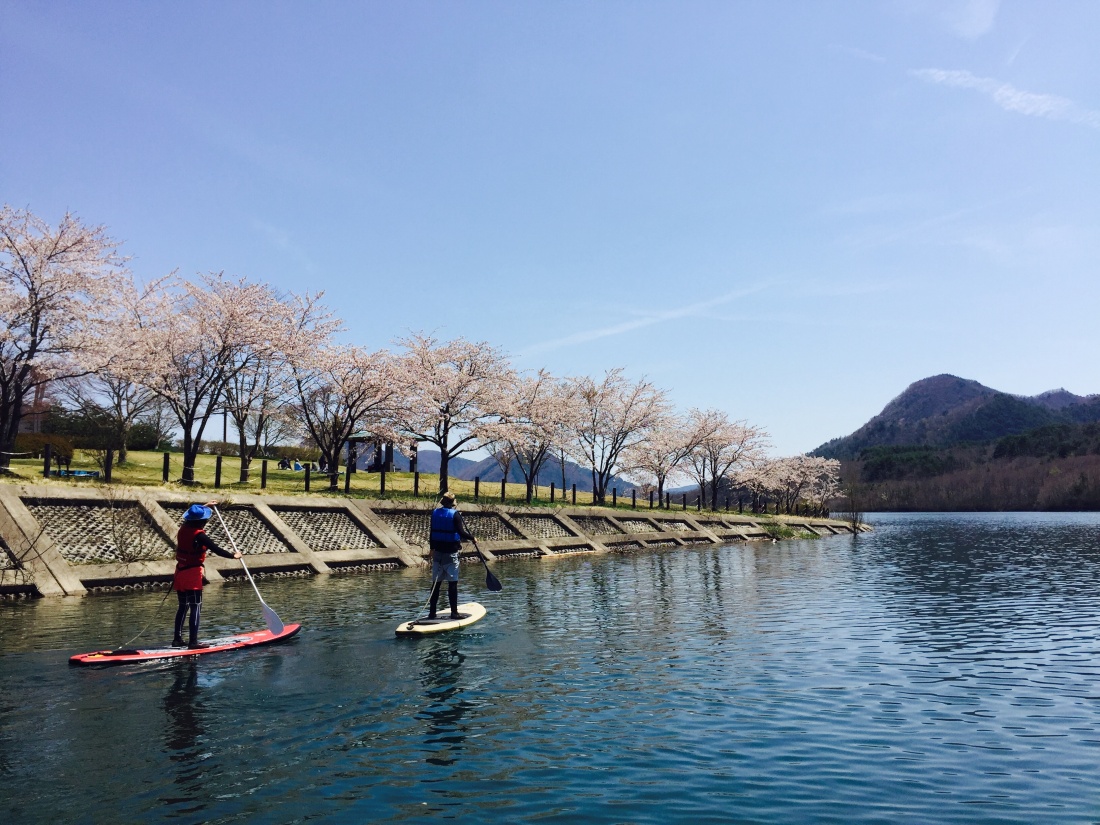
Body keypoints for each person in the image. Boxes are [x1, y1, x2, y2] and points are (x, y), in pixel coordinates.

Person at [173, 502, 241, 648]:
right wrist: (233, 555)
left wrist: (206, 506)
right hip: (192, 574)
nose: (206, 522)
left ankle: (177, 639)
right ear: (201, 521)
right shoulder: (200, 535)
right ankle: (193, 642)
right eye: (205, 520)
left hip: (180, 572)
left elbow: (193, 514)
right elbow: (216, 550)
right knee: (196, 606)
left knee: (183, 606)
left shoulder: (183, 528)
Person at [428, 491, 476, 620]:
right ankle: (454, 613)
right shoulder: (455, 515)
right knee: (452, 583)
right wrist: (473, 538)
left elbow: (432, 533)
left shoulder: (435, 513)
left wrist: (431, 549)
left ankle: (432, 613)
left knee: (436, 584)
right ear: (452, 503)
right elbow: (461, 533)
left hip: (438, 553)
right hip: (451, 554)